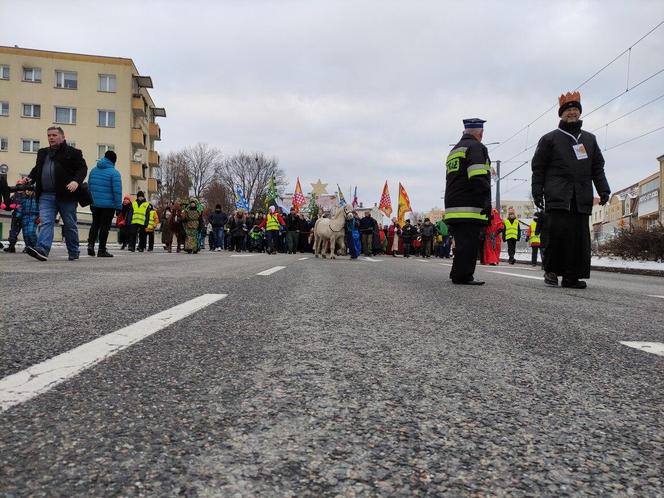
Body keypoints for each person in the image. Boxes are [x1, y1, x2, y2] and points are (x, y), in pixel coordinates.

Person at [532, 91, 611, 288]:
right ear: (561, 114)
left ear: (580, 113)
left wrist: (603, 190)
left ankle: (571, 276)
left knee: (578, 239)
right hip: (558, 196)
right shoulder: (549, 139)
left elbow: (597, 168)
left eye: (575, 109)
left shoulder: (590, 140)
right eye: (568, 110)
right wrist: (537, 191)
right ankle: (551, 271)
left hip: (581, 197)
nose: (572, 112)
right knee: (556, 235)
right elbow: (538, 168)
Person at [21, 126, 87, 262]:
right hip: (46, 195)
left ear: (62, 137)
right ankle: (42, 249)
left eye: (54, 135)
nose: (51, 137)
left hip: (66, 195)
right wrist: (29, 178)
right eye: (49, 135)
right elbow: (37, 169)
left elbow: (82, 168)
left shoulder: (73, 152)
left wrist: (76, 181)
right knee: (46, 222)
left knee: (70, 225)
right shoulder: (42, 152)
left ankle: (74, 250)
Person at [443, 118, 492, 285]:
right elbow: (478, 176)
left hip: (453, 204)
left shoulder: (455, 150)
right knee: (469, 242)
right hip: (469, 205)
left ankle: (457, 272)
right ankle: (463, 275)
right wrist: (485, 201)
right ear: (481, 133)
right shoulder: (476, 147)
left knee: (463, 241)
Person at [87, 150, 122, 257]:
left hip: (94, 204)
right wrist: (118, 206)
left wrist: (91, 201)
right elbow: (117, 191)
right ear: (114, 161)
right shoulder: (114, 173)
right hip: (108, 206)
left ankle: (91, 245)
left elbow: (89, 187)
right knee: (104, 227)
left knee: (95, 224)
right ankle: (101, 249)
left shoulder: (93, 170)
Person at [4, 183, 39, 253]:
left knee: (31, 232)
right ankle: (28, 247)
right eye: (26, 190)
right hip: (23, 217)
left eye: (29, 190)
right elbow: (18, 207)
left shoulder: (36, 197)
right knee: (25, 234)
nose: (27, 192)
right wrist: (10, 207)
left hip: (33, 216)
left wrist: (40, 216)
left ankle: (36, 247)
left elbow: (41, 207)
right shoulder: (20, 197)